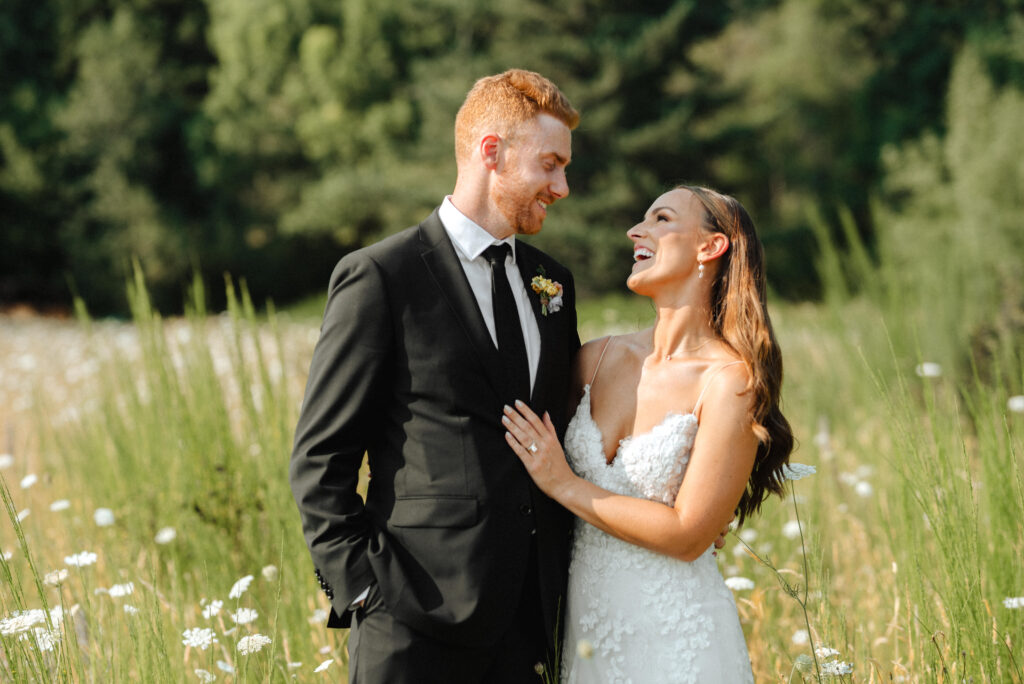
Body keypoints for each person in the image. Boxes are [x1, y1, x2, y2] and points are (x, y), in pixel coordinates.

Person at [289, 69, 582, 683]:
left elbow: (570, 425)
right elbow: (320, 460)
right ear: (492, 152)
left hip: (531, 628)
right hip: (410, 623)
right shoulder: (381, 277)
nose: (562, 186)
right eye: (550, 164)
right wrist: (363, 590)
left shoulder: (552, 283)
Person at [503, 185, 794, 682]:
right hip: (586, 631)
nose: (636, 231)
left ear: (710, 247)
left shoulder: (729, 381)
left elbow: (687, 536)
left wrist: (564, 483)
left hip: (677, 637)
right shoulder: (593, 360)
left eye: (661, 219)